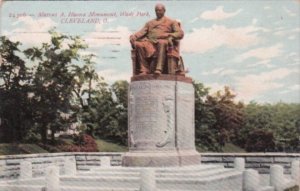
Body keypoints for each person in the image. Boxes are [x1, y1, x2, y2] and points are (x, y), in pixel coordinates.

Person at [130, 3, 184, 75]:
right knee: (138, 44)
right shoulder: (150, 23)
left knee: (161, 42)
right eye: (156, 10)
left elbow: (180, 33)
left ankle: (159, 68)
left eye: (159, 10)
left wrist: (170, 35)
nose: (158, 12)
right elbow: (141, 32)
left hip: (164, 42)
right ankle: (144, 69)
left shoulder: (171, 22)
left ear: (164, 11)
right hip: (150, 43)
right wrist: (134, 36)